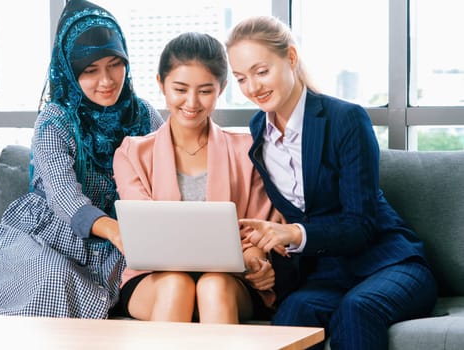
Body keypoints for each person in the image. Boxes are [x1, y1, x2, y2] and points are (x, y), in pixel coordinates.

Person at [226, 16, 438, 349]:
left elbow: (362, 224)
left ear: (291, 59)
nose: (252, 88)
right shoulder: (258, 131)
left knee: (358, 308)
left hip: (388, 263)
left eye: (261, 71)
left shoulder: (345, 119)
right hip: (327, 276)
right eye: (241, 78)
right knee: (291, 315)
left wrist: (295, 233)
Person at [0, 0, 163, 318]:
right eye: (90, 70)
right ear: (69, 70)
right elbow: (64, 195)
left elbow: (170, 174)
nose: (106, 81)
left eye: (114, 64)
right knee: (54, 281)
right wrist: (117, 232)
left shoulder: (144, 114)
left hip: (116, 246)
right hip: (44, 237)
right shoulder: (55, 119)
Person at [112, 32, 280, 324]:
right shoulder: (132, 153)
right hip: (155, 280)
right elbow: (145, 237)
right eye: (180, 89)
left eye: (204, 90)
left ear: (222, 88)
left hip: (230, 279)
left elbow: (255, 231)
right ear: (160, 84)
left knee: (212, 284)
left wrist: (257, 261)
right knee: (176, 283)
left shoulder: (246, 150)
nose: (191, 102)